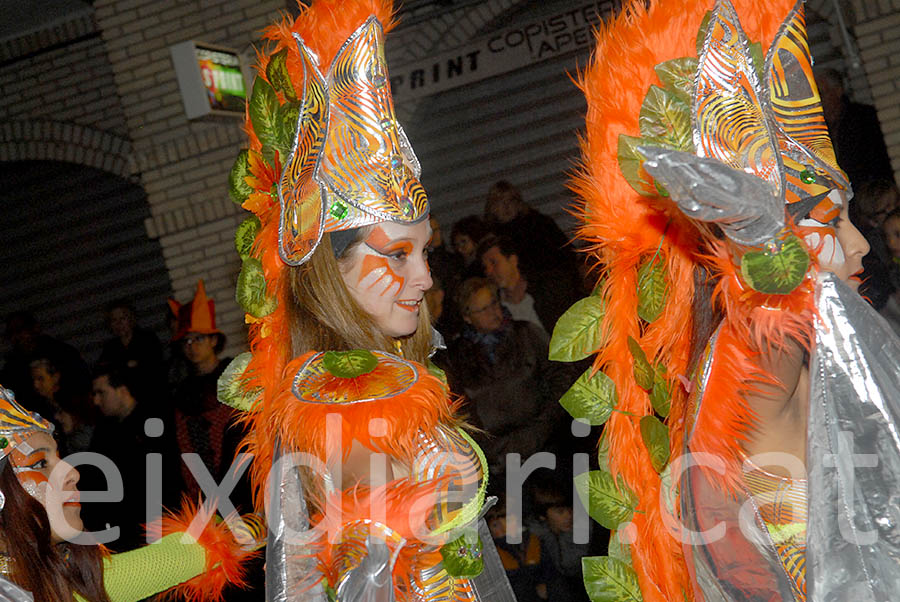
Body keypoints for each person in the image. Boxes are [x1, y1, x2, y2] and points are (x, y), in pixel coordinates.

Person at [558, 0, 900, 600]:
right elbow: (770, 307)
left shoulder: (743, 369)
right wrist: (758, 234)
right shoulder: (751, 370)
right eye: (830, 220)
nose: (858, 245)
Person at [223, 1, 516, 599]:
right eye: (397, 255)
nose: (427, 279)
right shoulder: (340, 396)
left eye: (424, 252)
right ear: (331, 270)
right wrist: (432, 499)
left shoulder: (380, 374)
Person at [0, 385, 260, 601]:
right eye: (39, 464)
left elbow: (175, 557)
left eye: (59, 457)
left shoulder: (64, 578)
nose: (72, 472)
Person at [448, 277, 568, 477]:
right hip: (495, 460)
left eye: (494, 303)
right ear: (467, 317)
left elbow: (561, 378)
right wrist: (491, 449)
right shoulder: (458, 357)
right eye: (483, 309)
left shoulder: (527, 334)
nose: (493, 312)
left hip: (543, 445)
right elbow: (461, 409)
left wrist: (540, 428)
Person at [81, 364, 178, 553]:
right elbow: (91, 477)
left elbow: (167, 477)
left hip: (157, 525)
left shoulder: (154, 422)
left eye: (101, 393)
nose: (96, 400)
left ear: (122, 391)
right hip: (120, 532)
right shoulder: (104, 430)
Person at [478, 234, 576, 336]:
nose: (489, 271)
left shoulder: (549, 288)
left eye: (493, 263)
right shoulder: (497, 309)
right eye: (485, 267)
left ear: (512, 260)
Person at [484, 180, 576, 277]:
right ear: (492, 207)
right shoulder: (492, 239)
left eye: (511, 200)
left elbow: (567, 251)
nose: (506, 206)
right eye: (500, 202)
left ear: (518, 203)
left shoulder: (539, 224)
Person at [97, 300, 164, 399]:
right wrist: (128, 365)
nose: (119, 324)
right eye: (114, 320)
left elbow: (153, 367)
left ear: (132, 319)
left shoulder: (147, 339)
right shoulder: (110, 347)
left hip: (150, 396)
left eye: (122, 318)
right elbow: (104, 370)